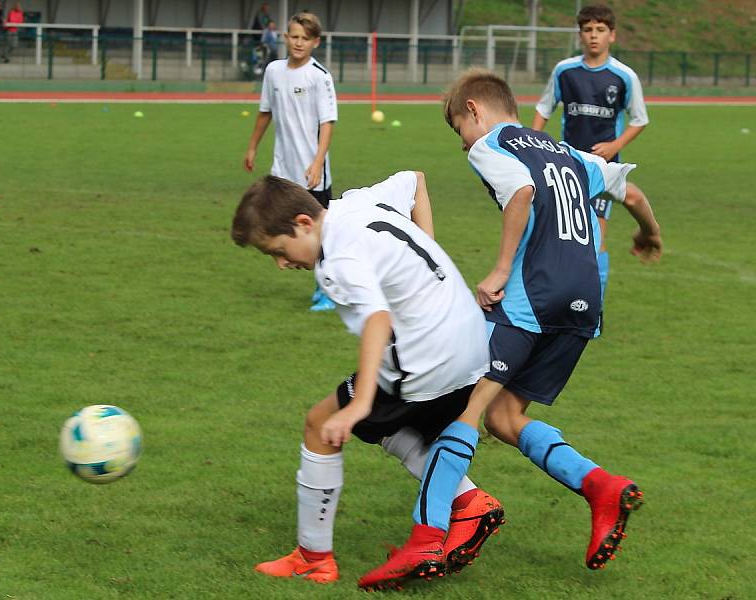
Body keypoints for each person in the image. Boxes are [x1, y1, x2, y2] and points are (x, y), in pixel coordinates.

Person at [362, 68, 662, 587]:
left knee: (467, 409)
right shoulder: (567, 152)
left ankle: (424, 540)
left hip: (532, 296)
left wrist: (500, 269)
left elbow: (520, 191)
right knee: (504, 416)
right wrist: (649, 235)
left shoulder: (492, 145)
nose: (463, 146)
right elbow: (631, 194)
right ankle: (601, 489)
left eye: (459, 129)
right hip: (584, 301)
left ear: (475, 110)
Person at [231, 171, 504, 586]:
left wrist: (358, 404)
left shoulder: (336, 261)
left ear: (304, 224)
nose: (282, 263)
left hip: (427, 358)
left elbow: (377, 318)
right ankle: (467, 500)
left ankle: (313, 558)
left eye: (278, 250)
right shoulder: (356, 202)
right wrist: (429, 252)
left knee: (323, 423)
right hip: (472, 340)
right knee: (384, 426)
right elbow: (416, 180)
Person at [532, 4, 649, 309]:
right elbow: (544, 109)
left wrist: (614, 146)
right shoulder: (564, 71)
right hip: (566, 166)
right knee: (559, 235)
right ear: (580, 35)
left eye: (600, 30)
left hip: (603, 170)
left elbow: (639, 119)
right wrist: (534, 145)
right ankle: (557, 298)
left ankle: (591, 306)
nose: (593, 36)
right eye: (587, 30)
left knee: (595, 239)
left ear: (612, 35)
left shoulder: (624, 76)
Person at [243, 12, 338, 312]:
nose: (298, 43)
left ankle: (327, 289)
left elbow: (327, 123)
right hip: (282, 170)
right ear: (285, 37)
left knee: (323, 231)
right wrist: (252, 147)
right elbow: (264, 112)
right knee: (278, 225)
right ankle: (310, 275)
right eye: (294, 36)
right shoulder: (273, 71)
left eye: (305, 38)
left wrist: (317, 161)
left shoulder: (319, 75)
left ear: (315, 42)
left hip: (312, 172)